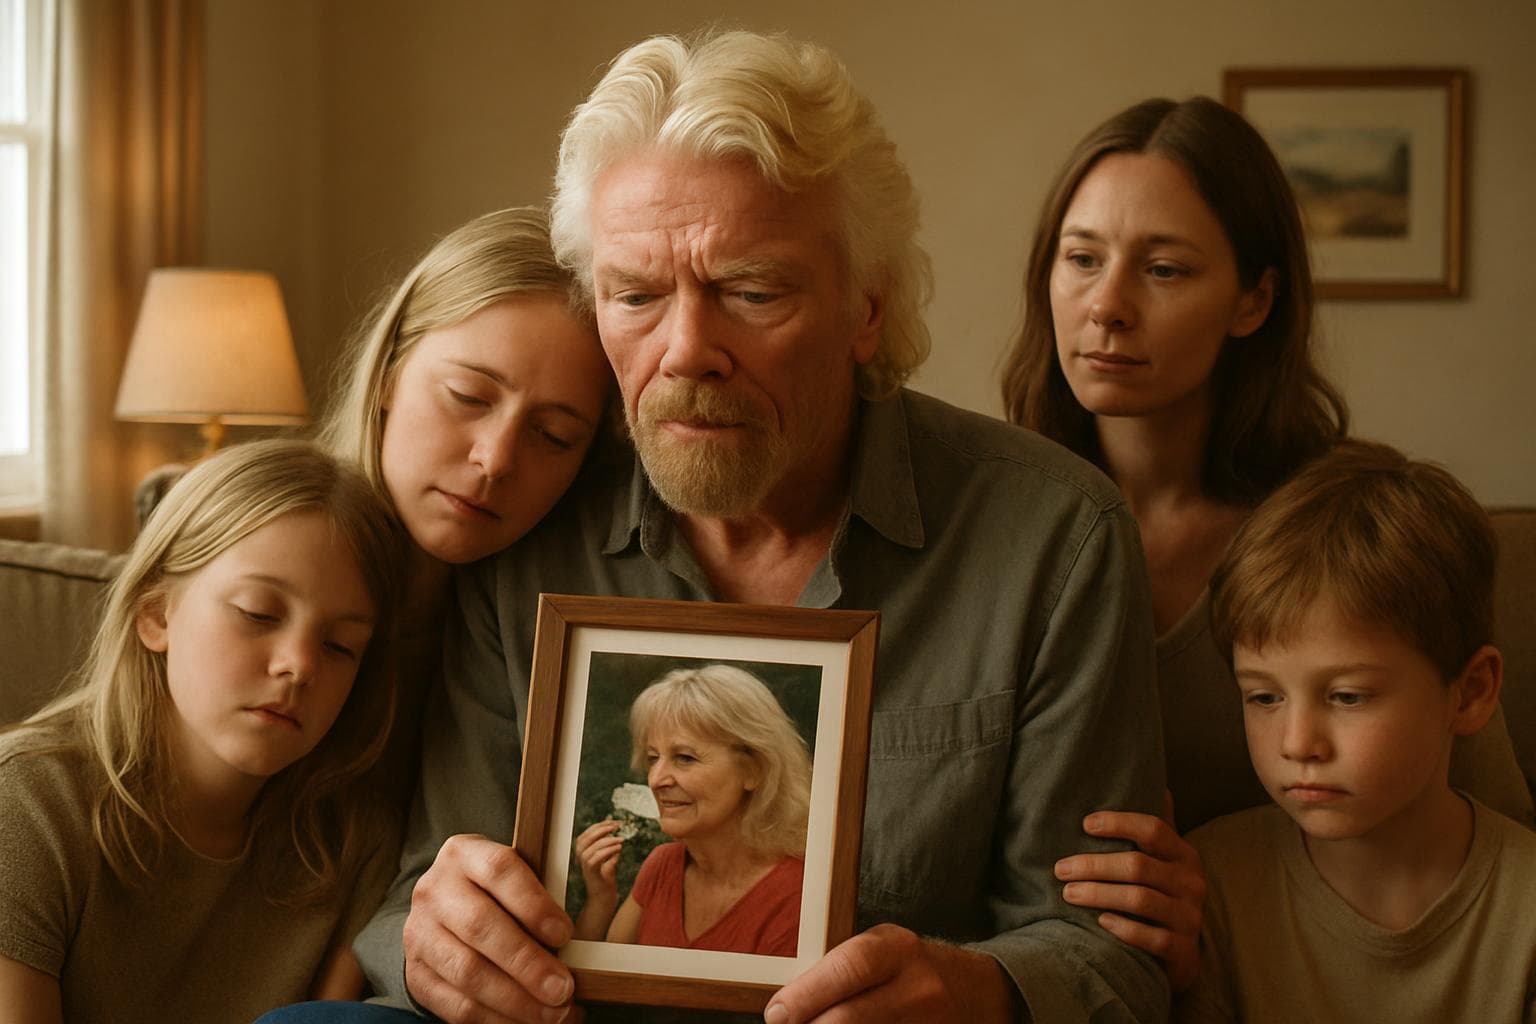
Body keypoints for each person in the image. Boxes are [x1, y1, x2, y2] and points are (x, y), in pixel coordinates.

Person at [334, 29, 1168, 1024]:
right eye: (635, 294)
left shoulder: (1052, 539)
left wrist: (980, 989)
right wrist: (431, 941)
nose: (687, 351)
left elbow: (1114, 956)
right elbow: (414, 892)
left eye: (752, 291)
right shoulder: (530, 521)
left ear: (866, 307)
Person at [999, 96, 1535, 990]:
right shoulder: (993, 518)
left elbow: (1483, 817)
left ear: (1254, 298)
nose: (1107, 306)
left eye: (1164, 270)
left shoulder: (1342, 528)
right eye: (1081, 259)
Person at [0, 439, 406, 1022]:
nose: (300, 664)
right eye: (259, 613)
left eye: (340, 645)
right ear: (157, 613)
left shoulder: (353, 846)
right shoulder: (26, 806)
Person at [1176, 440, 1536, 1021]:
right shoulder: (1211, 887)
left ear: (1470, 693)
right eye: (1264, 696)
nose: (1297, 744)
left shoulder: (1525, 907)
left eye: (1347, 696)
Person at [318, 204, 615, 797]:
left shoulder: (539, 644)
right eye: (468, 396)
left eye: (553, 435)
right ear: (387, 375)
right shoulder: (255, 563)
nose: (496, 458)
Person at [573, 664, 811, 956]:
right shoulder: (663, 865)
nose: (657, 779)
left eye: (684, 758)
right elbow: (594, 983)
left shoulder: (799, 895)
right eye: (652, 757)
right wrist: (600, 901)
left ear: (754, 770)